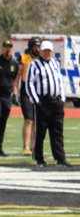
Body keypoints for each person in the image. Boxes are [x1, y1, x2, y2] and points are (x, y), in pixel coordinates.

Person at [25, 39, 71, 168]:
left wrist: (62, 98)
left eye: (49, 51)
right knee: (41, 132)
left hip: (56, 102)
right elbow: (29, 84)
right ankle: (39, 158)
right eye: (45, 50)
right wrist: (36, 101)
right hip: (43, 102)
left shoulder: (55, 63)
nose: (47, 53)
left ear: (52, 51)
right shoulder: (34, 65)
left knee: (57, 131)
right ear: (40, 51)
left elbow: (60, 81)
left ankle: (60, 159)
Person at [14, 37, 42, 155]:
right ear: (31, 47)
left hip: (38, 91)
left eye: (39, 46)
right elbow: (17, 77)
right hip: (26, 91)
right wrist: (15, 90)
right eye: (36, 46)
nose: (38, 49)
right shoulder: (24, 58)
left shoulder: (41, 59)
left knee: (36, 120)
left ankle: (34, 146)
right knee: (29, 119)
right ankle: (26, 146)